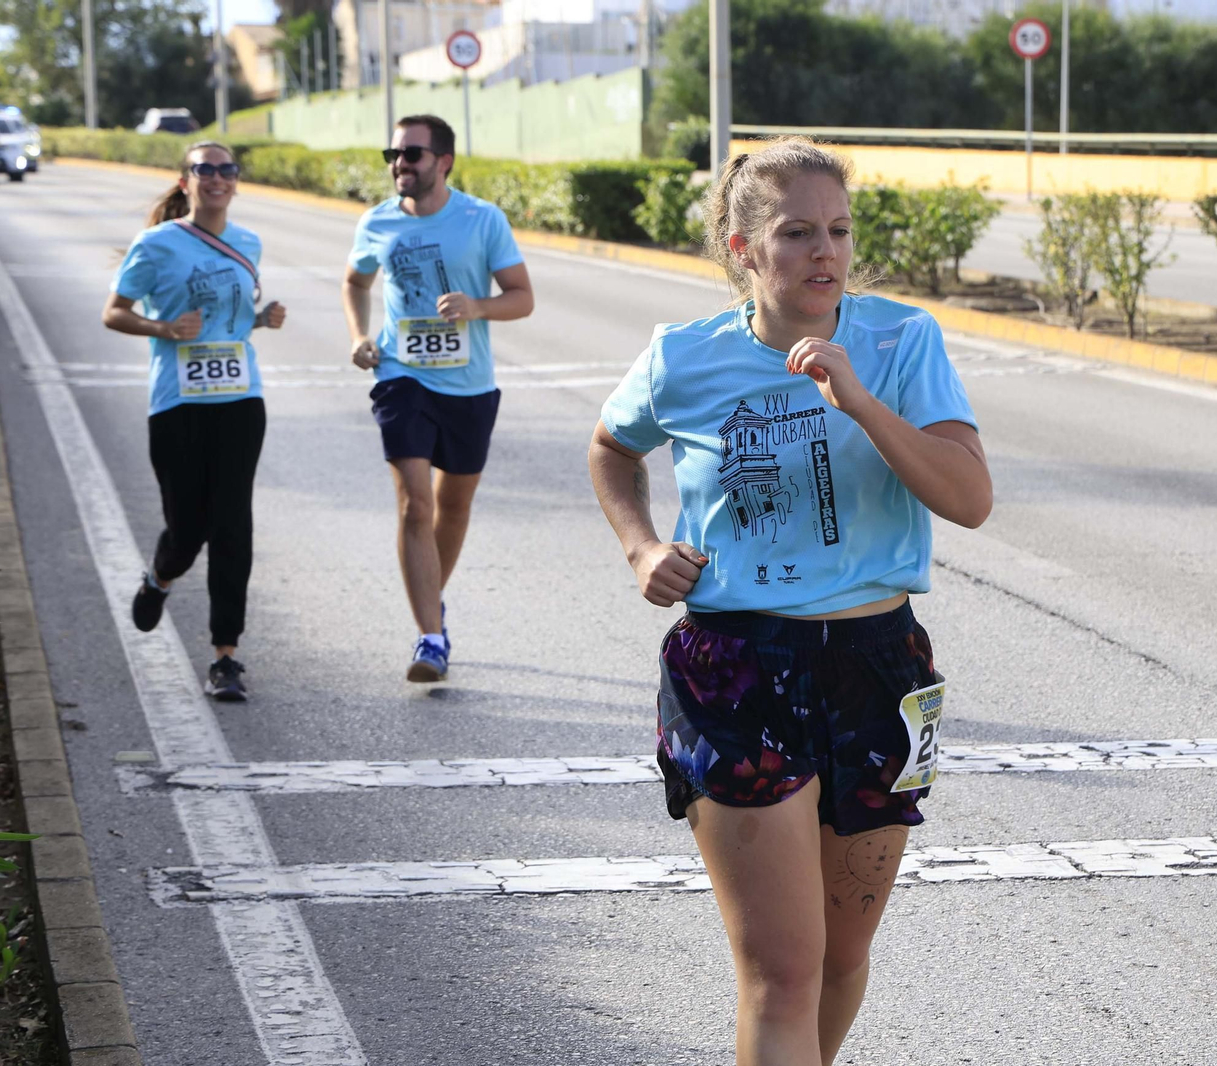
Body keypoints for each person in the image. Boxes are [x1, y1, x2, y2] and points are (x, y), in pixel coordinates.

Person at [588, 137, 991, 1065]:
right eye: (798, 232)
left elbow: (969, 500)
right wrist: (641, 546)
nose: (826, 252)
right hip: (737, 668)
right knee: (782, 971)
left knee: (841, 959)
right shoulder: (682, 357)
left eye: (839, 231)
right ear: (743, 248)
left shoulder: (901, 342)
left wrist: (861, 403)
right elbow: (611, 447)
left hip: (878, 666)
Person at [342, 114, 534, 683]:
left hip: (469, 385)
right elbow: (355, 281)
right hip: (401, 376)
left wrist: (478, 307)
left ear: (443, 161)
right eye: (394, 155)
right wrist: (358, 335)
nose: (400, 164)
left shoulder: (481, 219)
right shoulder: (377, 222)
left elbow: (521, 297)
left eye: (412, 154)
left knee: (453, 507)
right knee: (415, 505)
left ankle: (431, 602)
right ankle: (430, 638)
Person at [102, 141, 286, 702]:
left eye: (226, 169)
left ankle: (225, 655)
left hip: (240, 397)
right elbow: (114, 312)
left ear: (236, 180)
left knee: (233, 523)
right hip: (177, 402)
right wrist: (162, 329)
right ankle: (160, 576)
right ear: (186, 181)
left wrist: (261, 319)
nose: (217, 177)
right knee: (187, 529)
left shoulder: (248, 242)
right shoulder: (157, 244)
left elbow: (231, 322)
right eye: (204, 169)